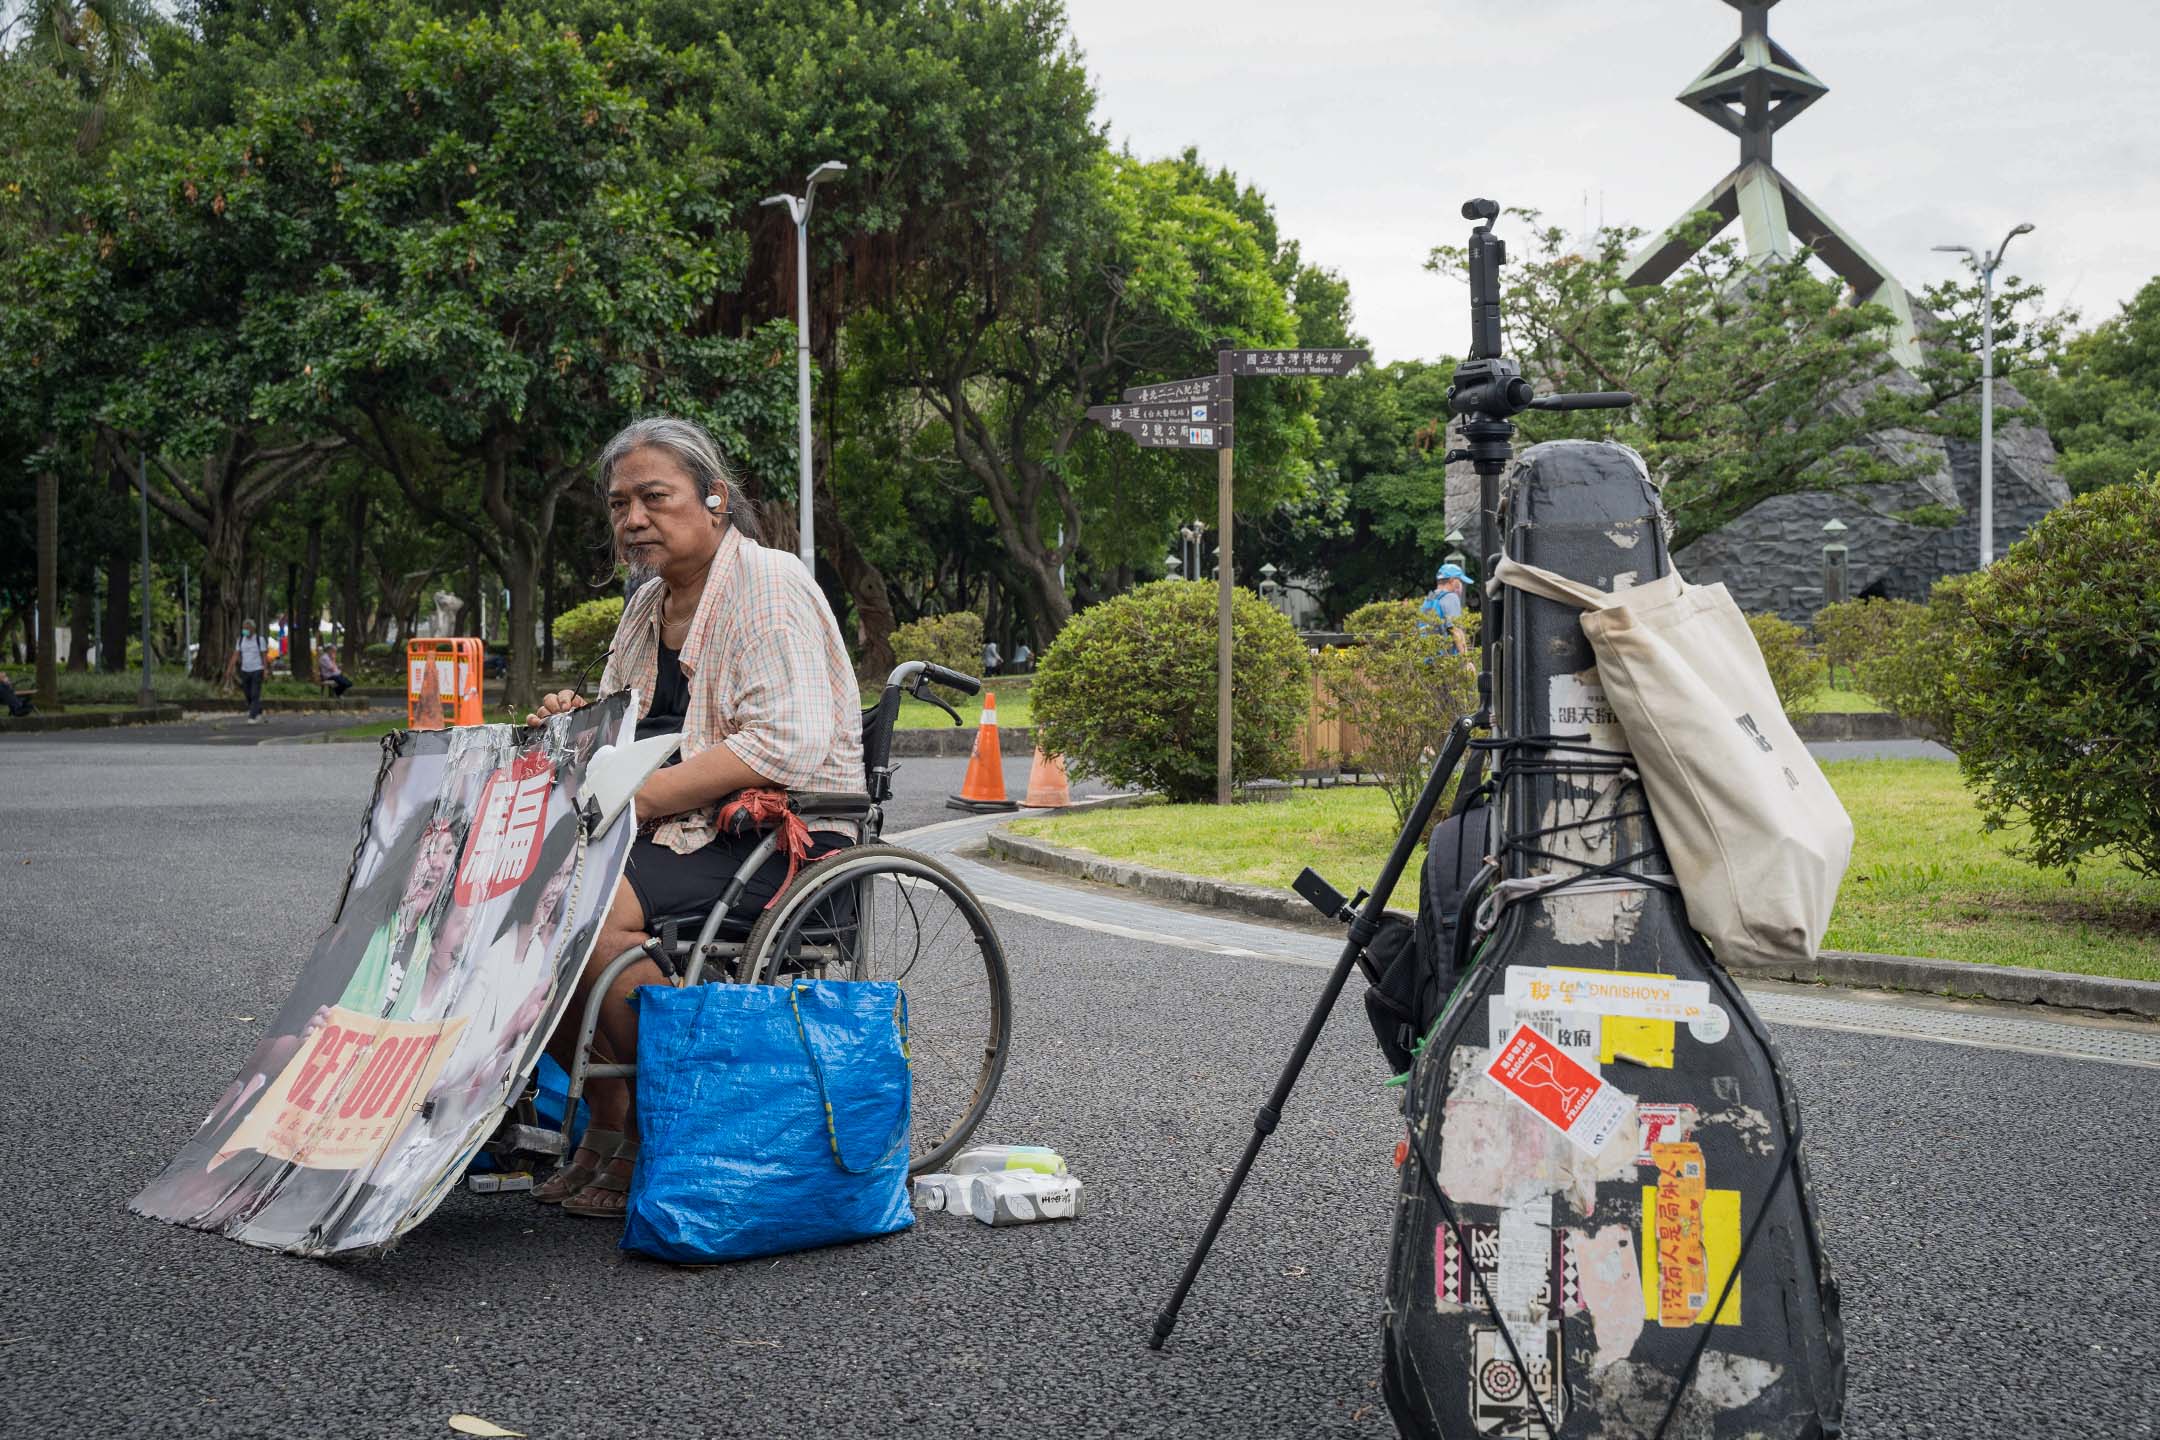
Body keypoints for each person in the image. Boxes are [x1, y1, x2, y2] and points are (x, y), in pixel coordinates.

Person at [524, 416, 864, 1218]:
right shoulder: (647, 607)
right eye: (618, 505)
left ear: (715, 500)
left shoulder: (769, 583)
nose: (633, 519)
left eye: (654, 497)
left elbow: (784, 744)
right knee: (533, 903)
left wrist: (637, 799)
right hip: (683, 831)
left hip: (781, 836)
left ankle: (657, 1121)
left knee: (593, 911)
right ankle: (607, 1126)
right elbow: (632, 723)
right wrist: (580, 718)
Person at [1420, 563, 1471, 655]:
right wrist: (1467, 660)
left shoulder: (1430, 597)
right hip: (1445, 661)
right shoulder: (1451, 597)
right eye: (1460, 581)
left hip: (1427, 658)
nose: (1461, 585)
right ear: (1452, 580)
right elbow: (1455, 631)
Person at [225, 620, 269, 723]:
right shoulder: (240, 640)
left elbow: (264, 656)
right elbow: (236, 655)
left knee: (255, 693)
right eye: (244, 628)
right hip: (245, 670)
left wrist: (265, 670)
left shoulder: (259, 640)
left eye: (247, 628)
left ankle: (252, 717)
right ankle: (258, 711)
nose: (245, 630)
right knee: (247, 694)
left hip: (257, 669)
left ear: (253, 629)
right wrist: (229, 669)